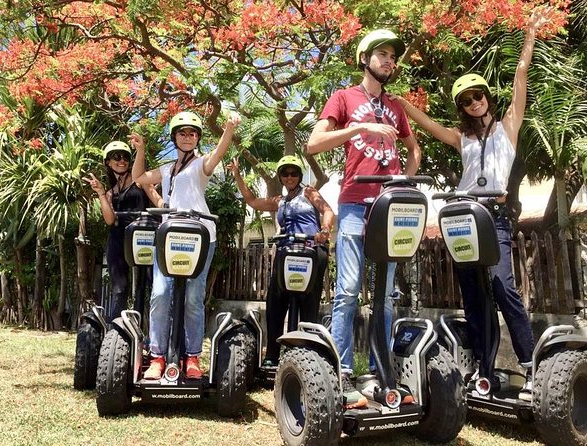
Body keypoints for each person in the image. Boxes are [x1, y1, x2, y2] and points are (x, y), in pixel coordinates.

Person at [394, 9, 551, 401]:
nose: (474, 103)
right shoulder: (460, 139)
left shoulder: (508, 127)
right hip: (463, 219)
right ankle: (482, 366)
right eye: (466, 101)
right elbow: (427, 124)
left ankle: (530, 365)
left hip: (494, 218)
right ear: (461, 108)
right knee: (473, 295)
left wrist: (529, 39)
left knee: (502, 287)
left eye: (478, 97)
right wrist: (399, 103)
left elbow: (520, 80)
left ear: (487, 98)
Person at [306, 29, 422, 408]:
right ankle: (338, 372)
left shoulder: (397, 107)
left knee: (387, 297)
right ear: (365, 58)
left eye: (393, 56)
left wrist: (407, 181)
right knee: (348, 291)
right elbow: (314, 142)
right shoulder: (343, 98)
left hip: (389, 206)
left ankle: (379, 371)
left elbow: (413, 147)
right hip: (355, 203)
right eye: (382, 54)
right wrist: (360, 127)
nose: (390, 61)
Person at [130, 110, 240, 380]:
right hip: (169, 236)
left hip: (200, 236)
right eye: (183, 133)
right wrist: (141, 150)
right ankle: (156, 356)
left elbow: (218, 154)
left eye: (193, 133)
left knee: (193, 297)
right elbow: (139, 178)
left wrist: (228, 129)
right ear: (175, 137)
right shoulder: (166, 169)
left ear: (197, 137)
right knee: (159, 294)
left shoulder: (201, 165)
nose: (188, 137)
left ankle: (191, 356)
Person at [226, 156, 335, 367]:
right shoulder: (279, 201)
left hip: (311, 250)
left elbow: (327, 210)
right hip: (287, 252)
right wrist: (238, 175)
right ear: (281, 176)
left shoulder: (309, 192)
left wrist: (324, 230)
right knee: (275, 301)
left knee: (309, 302)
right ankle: (272, 355)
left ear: (300, 175)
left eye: (294, 173)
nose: (289, 177)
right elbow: (252, 201)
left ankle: (307, 351)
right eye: (285, 173)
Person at [83, 140, 163, 322]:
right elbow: (110, 219)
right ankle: (116, 333)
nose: (122, 161)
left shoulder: (140, 182)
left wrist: (168, 209)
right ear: (108, 162)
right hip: (120, 238)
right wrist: (101, 193)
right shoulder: (110, 192)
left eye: (125, 157)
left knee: (153, 286)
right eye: (116, 157)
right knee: (120, 287)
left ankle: (156, 335)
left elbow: (158, 200)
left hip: (145, 236)